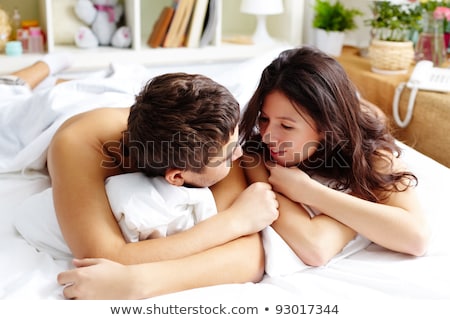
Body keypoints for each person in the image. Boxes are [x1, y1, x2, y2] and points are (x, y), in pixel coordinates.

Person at [44, 68, 279, 299]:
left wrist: (142, 278)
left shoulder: (215, 134)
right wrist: (233, 221)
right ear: (176, 176)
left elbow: (249, 258)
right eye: (228, 156)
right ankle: (46, 69)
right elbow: (107, 257)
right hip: (62, 114)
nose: (239, 155)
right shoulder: (76, 146)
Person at [239, 46, 431, 267]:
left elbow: (417, 239)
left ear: (325, 126)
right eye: (264, 120)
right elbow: (315, 248)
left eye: (286, 126)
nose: (267, 137)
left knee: (372, 117)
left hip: (351, 126)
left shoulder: (372, 156)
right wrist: (364, 198)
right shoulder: (259, 157)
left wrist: (310, 192)